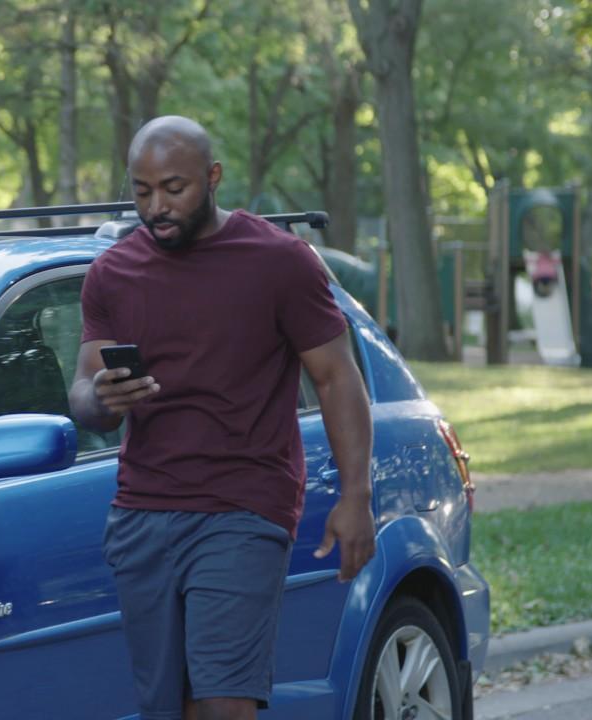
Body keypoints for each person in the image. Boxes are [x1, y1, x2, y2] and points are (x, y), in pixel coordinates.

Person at [68, 115, 375, 720]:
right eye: (142, 191)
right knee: (165, 707)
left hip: (243, 505)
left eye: (173, 189)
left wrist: (356, 496)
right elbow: (82, 390)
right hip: (143, 511)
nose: (157, 206)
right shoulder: (113, 274)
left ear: (213, 178)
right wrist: (100, 399)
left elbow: (337, 377)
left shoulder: (279, 262)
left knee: (223, 704)